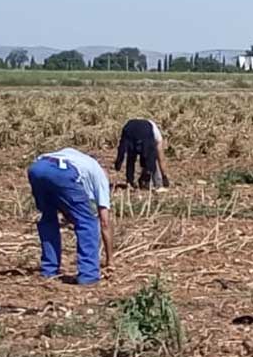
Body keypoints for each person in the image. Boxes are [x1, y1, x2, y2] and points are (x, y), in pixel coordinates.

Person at [27, 148, 114, 285]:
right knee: (88, 222)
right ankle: (89, 275)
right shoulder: (100, 176)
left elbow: (65, 201)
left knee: (48, 218)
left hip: (37, 168)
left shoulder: (75, 156)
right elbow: (104, 222)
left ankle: (49, 270)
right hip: (63, 173)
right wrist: (110, 260)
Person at [114, 119, 169, 189]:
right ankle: (147, 181)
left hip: (129, 128)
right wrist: (164, 176)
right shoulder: (158, 138)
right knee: (151, 158)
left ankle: (130, 181)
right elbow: (161, 158)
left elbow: (122, 147)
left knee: (131, 157)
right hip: (144, 131)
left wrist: (119, 161)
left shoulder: (153, 129)